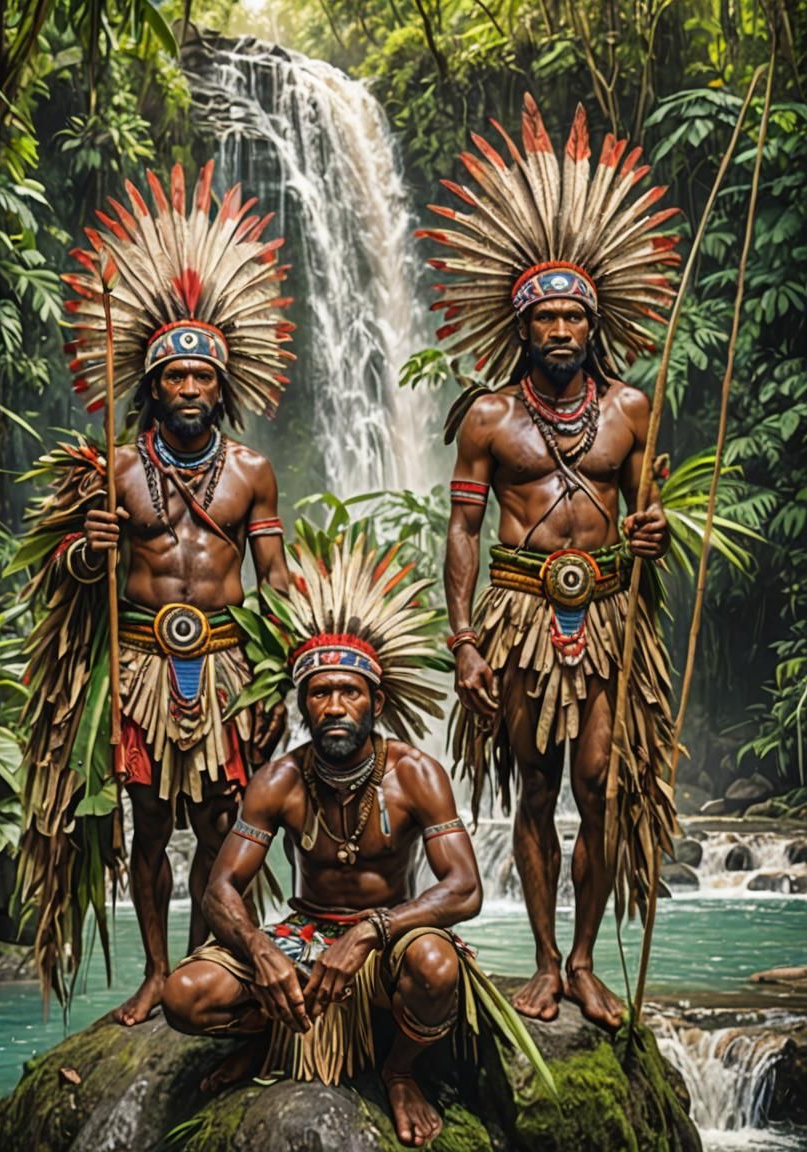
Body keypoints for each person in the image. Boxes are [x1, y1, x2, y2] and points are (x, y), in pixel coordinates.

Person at [418, 95, 679, 1031]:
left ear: (595, 321)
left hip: (606, 614)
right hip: (523, 614)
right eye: (547, 319)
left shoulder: (632, 411)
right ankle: (537, 960)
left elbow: (648, 511)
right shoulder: (489, 419)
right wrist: (462, 640)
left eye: (575, 316)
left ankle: (582, 957)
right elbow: (462, 533)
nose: (562, 331)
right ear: (521, 327)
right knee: (533, 783)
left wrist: (648, 531)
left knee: (601, 784)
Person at [15, 162, 295, 1023]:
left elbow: (275, 578)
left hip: (222, 665)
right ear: (152, 385)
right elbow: (66, 576)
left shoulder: (252, 472)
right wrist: (88, 552)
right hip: (138, 663)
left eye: (202, 378)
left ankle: (212, 965)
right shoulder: (117, 470)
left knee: (218, 823)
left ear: (223, 384)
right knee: (145, 823)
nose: (188, 390)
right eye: (173, 378)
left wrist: (281, 670)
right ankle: (151, 967)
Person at [161, 532, 552, 1148]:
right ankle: (272, 1031)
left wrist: (371, 930)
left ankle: (399, 1070)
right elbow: (220, 890)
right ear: (303, 705)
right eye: (320, 693)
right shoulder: (280, 780)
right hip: (304, 937)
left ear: (377, 700)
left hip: (390, 938)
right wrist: (261, 949)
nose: (335, 706)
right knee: (183, 996)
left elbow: (466, 889)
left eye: (350, 691)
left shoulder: (416, 774)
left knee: (436, 966)